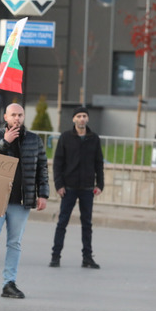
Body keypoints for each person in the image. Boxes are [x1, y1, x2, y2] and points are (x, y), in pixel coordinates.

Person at [0, 103, 48, 299]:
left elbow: (42, 168)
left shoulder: (34, 140)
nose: (17, 118)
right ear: (5, 117)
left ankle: (9, 283)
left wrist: (43, 194)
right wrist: (5, 142)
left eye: (20, 115)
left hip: (21, 200)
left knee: (14, 242)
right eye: (13, 115)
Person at [49, 107, 104, 269]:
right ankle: (55, 256)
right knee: (62, 222)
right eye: (79, 116)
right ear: (74, 119)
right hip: (69, 187)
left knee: (87, 224)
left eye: (84, 116)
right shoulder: (66, 137)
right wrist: (59, 184)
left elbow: (98, 163)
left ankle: (87, 257)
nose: (81, 119)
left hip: (87, 187)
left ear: (87, 119)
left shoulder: (93, 138)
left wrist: (100, 184)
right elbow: (58, 163)